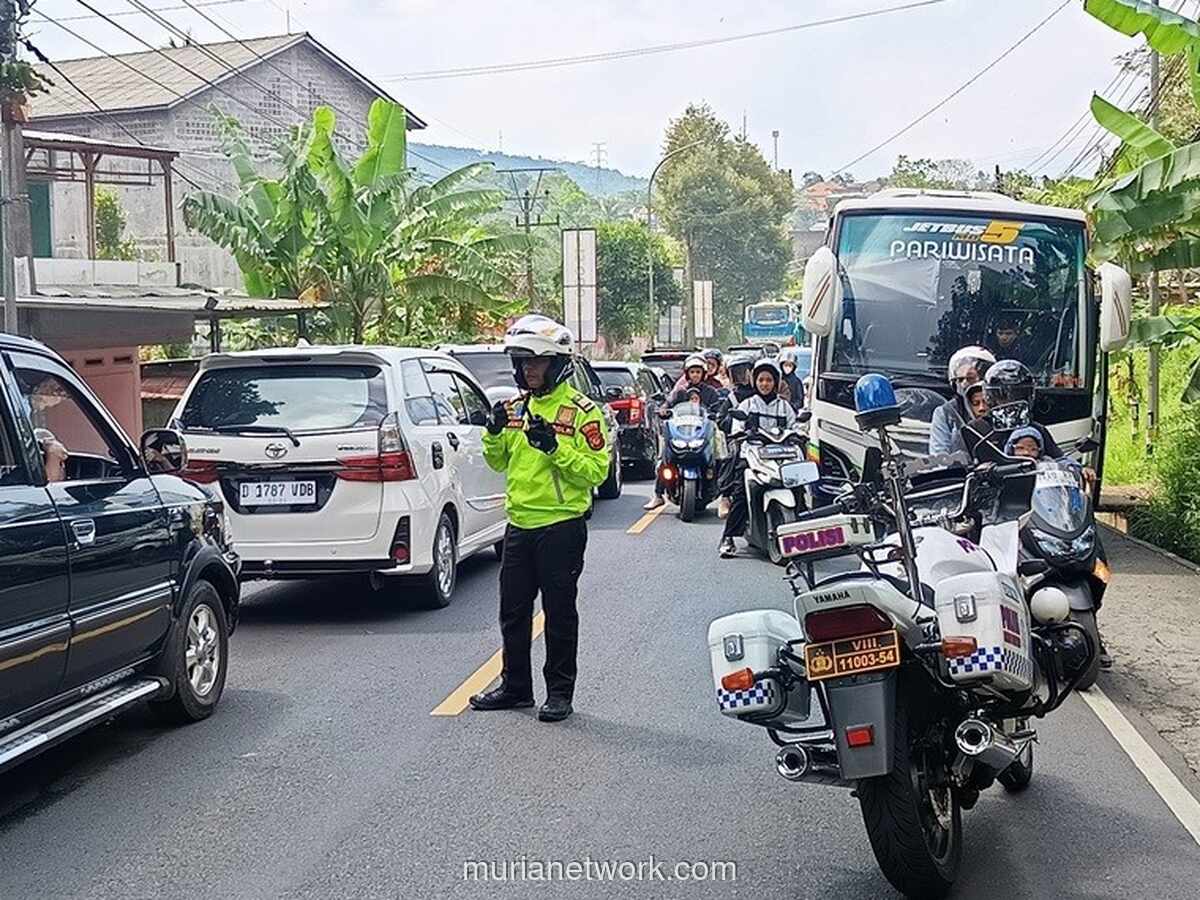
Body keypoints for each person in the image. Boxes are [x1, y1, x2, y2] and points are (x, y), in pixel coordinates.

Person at [469, 314, 611, 723]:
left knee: (559, 612)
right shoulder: (515, 409)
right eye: (523, 363)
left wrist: (555, 448)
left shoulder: (581, 412)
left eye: (537, 362)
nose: (528, 370)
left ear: (557, 364)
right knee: (512, 612)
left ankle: (560, 693)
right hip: (518, 526)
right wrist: (493, 432)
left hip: (561, 526)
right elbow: (499, 462)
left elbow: (595, 471)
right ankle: (516, 688)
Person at [719, 359, 796, 558]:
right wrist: (740, 433)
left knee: (799, 488)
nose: (765, 384)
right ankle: (728, 537)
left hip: (782, 455)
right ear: (755, 381)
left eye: (769, 380)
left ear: (776, 382)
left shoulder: (784, 407)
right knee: (741, 494)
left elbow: (795, 426)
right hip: (752, 456)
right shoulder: (747, 404)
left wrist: (799, 433)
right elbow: (736, 427)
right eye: (761, 380)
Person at [644, 355, 724, 511]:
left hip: (703, 435)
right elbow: (668, 405)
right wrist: (662, 410)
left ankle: (725, 498)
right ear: (687, 374)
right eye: (692, 372)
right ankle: (658, 495)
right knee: (664, 458)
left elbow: (718, 409)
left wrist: (719, 414)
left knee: (721, 457)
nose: (695, 375)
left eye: (698, 372)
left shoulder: (711, 392)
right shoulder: (679, 392)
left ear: (703, 373)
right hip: (682, 435)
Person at [929, 346, 995, 455]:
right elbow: (939, 457)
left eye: (970, 378)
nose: (964, 384)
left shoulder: (1004, 407)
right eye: (960, 379)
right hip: (960, 471)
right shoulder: (945, 413)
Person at [716, 354, 756, 518]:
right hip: (739, 439)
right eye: (737, 373)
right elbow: (720, 419)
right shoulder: (732, 397)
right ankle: (725, 496)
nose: (741, 377)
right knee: (733, 456)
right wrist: (733, 424)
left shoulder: (762, 395)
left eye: (744, 372)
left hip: (765, 439)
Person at [777, 347, 806, 413]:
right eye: (786, 365)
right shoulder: (777, 379)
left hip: (791, 412)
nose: (787, 368)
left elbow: (800, 401)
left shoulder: (797, 382)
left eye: (790, 365)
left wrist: (791, 407)